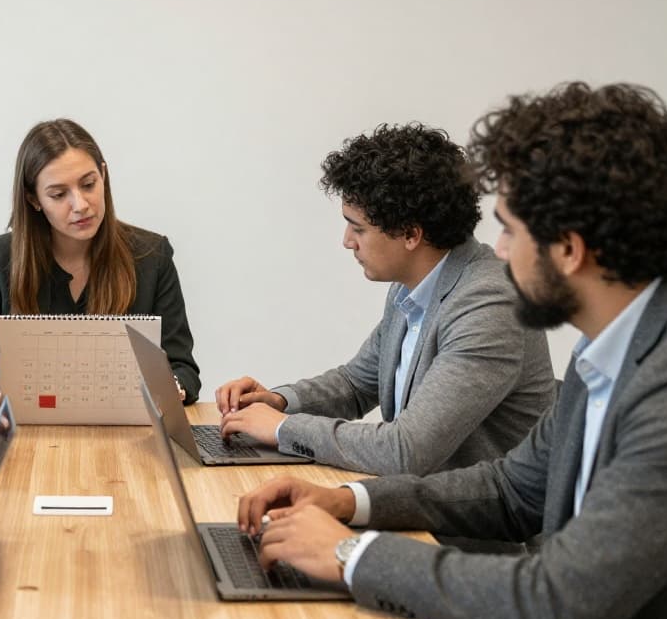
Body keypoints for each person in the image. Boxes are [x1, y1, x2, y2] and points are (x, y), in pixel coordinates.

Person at [238, 83, 667, 619]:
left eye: (509, 231)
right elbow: (512, 491)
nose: (500, 253)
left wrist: (349, 554)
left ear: (569, 249)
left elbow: (555, 604)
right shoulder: (615, 346)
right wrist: (351, 502)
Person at [216, 123, 554, 475]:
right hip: (416, 504)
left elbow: (406, 450)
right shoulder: (413, 285)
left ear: (410, 234)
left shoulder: (489, 303)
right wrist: (278, 401)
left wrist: (282, 428)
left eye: (358, 228)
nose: (347, 241)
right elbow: (356, 384)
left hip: (464, 525)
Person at [0, 118, 200, 408]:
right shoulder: (1, 257)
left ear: (104, 175)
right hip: (30, 433)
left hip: (128, 435)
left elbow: (184, 369)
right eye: (59, 194)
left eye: (89, 184)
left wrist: (172, 387)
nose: (80, 205)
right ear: (34, 199)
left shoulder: (153, 255)